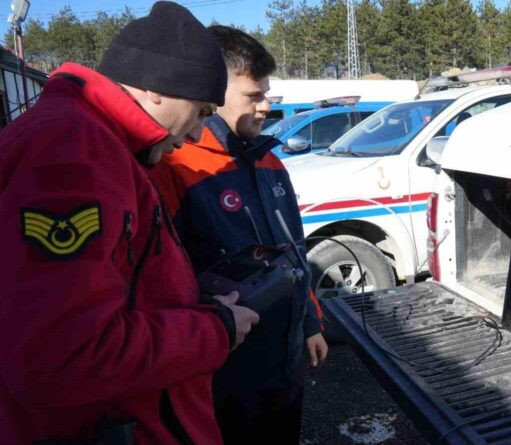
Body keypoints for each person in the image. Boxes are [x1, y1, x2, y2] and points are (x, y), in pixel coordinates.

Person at [0, 3, 260, 444]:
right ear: (157, 89)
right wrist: (214, 328)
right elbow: (63, 355)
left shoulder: (97, 142)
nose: (197, 134)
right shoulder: (75, 150)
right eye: (200, 110)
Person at [151, 25, 327, 444]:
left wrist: (310, 324)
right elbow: (158, 281)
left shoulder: (270, 164)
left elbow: (296, 255)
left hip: (284, 368)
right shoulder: (174, 166)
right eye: (254, 96)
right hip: (221, 377)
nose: (266, 106)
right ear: (214, 89)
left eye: (267, 94)